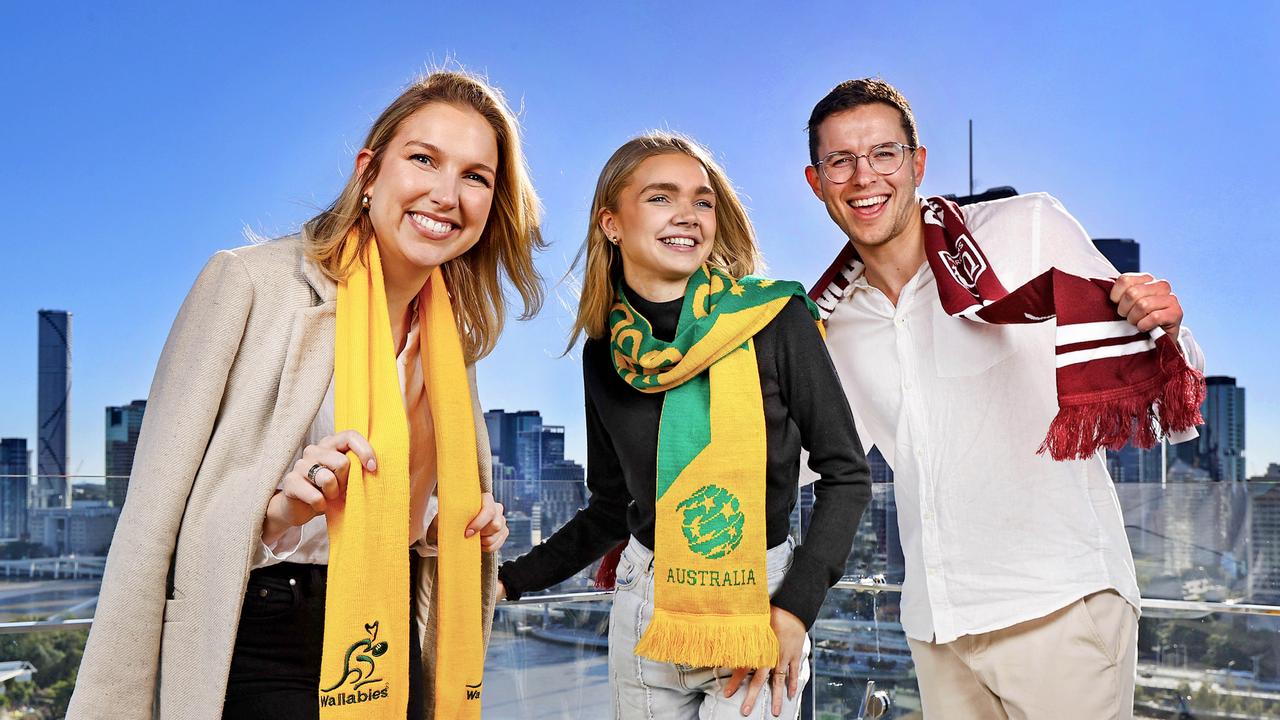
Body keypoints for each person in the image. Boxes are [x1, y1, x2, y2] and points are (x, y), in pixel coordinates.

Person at [68, 69, 545, 720]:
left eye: (475, 176)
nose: (445, 193)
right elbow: (152, 522)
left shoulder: (449, 340)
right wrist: (279, 515)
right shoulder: (249, 285)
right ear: (369, 172)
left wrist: (446, 530)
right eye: (423, 159)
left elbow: (403, 513)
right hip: (260, 633)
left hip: (389, 631)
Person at [803, 78, 1206, 719]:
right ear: (816, 181)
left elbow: (1156, 364)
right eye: (840, 161)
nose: (863, 176)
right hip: (937, 629)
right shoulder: (831, 323)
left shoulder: (1025, 229)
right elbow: (796, 457)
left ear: (917, 163)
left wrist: (1165, 325)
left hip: (1058, 606)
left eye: (883, 153)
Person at [497, 131, 871, 720]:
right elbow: (613, 506)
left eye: (702, 200)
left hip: (760, 600)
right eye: (660, 197)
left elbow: (847, 476)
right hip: (644, 603)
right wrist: (507, 582)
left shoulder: (774, 320)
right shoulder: (606, 352)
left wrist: (795, 608)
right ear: (611, 223)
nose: (688, 216)